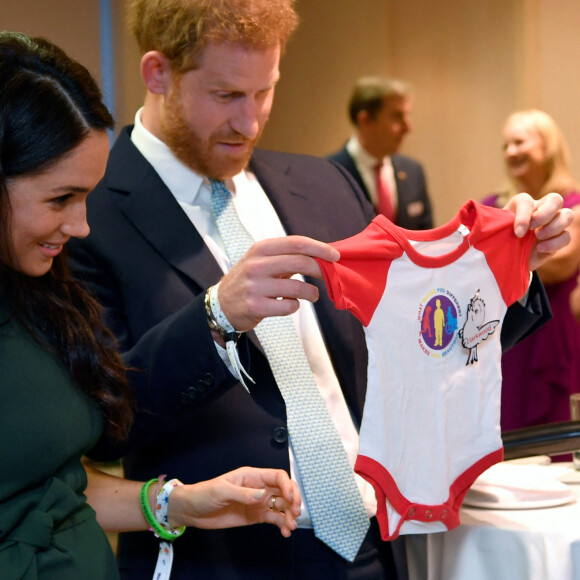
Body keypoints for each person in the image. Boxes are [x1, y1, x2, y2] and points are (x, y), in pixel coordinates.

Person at [67, 1, 573, 578]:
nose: (251, 122)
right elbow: (104, 429)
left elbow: (423, 345)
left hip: (375, 548)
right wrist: (216, 318)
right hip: (224, 560)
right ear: (158, 73)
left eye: (265, 91)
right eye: (227, 96)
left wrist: (508, 271)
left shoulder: (323, 186)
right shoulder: (88, 218)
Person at [0, 30, 301, 580]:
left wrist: (175, 502)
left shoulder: (34, 290)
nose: (81, 225)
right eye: (60, 198)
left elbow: (49, 489)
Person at [482, 109, 580, 432]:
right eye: (505, 146)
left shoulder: (574, 201)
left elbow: (560, 264)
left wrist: (506, 253)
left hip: (558, 335)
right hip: (510, 335)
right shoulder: (491, 204)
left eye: (520, 142)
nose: (511, 152)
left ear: (547, 146)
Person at [327, 76, 433, 229]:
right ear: (365, 121)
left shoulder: (413, 171)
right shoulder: (329, 174)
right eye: (397, 117)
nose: (408, 127)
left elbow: (426, 239)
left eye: (408, 115)